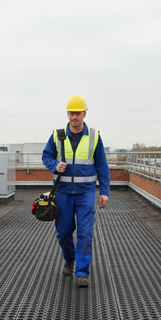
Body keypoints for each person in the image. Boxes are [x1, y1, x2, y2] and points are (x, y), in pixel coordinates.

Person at [41, 94, 110, 288]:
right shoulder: (57, 135)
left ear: (84, 114)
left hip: (85, 192)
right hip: (62, 192)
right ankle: (69, 259)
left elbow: (102, 166)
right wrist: (54, 165)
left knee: (85, 233)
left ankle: (82, 272)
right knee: (63, 232)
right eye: (71, 113)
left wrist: (104, 191)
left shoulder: (95, 137)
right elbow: (46, 155)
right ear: (68, 114)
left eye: (78, 113)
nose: (74, 117)